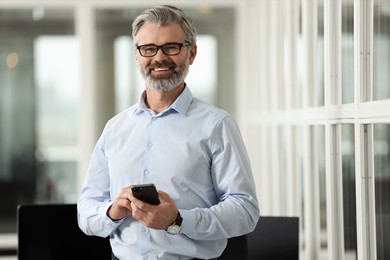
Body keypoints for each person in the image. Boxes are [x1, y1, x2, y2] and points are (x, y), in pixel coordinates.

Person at [77, 5, 259, 260]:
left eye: (171, 47)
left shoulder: (217, 125)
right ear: (137, 55)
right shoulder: (115, 128)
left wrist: (178, 219)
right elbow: (85, 211)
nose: (159, 58)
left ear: (191, 53)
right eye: (148, 48)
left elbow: (245, 210)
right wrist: (112, 211)